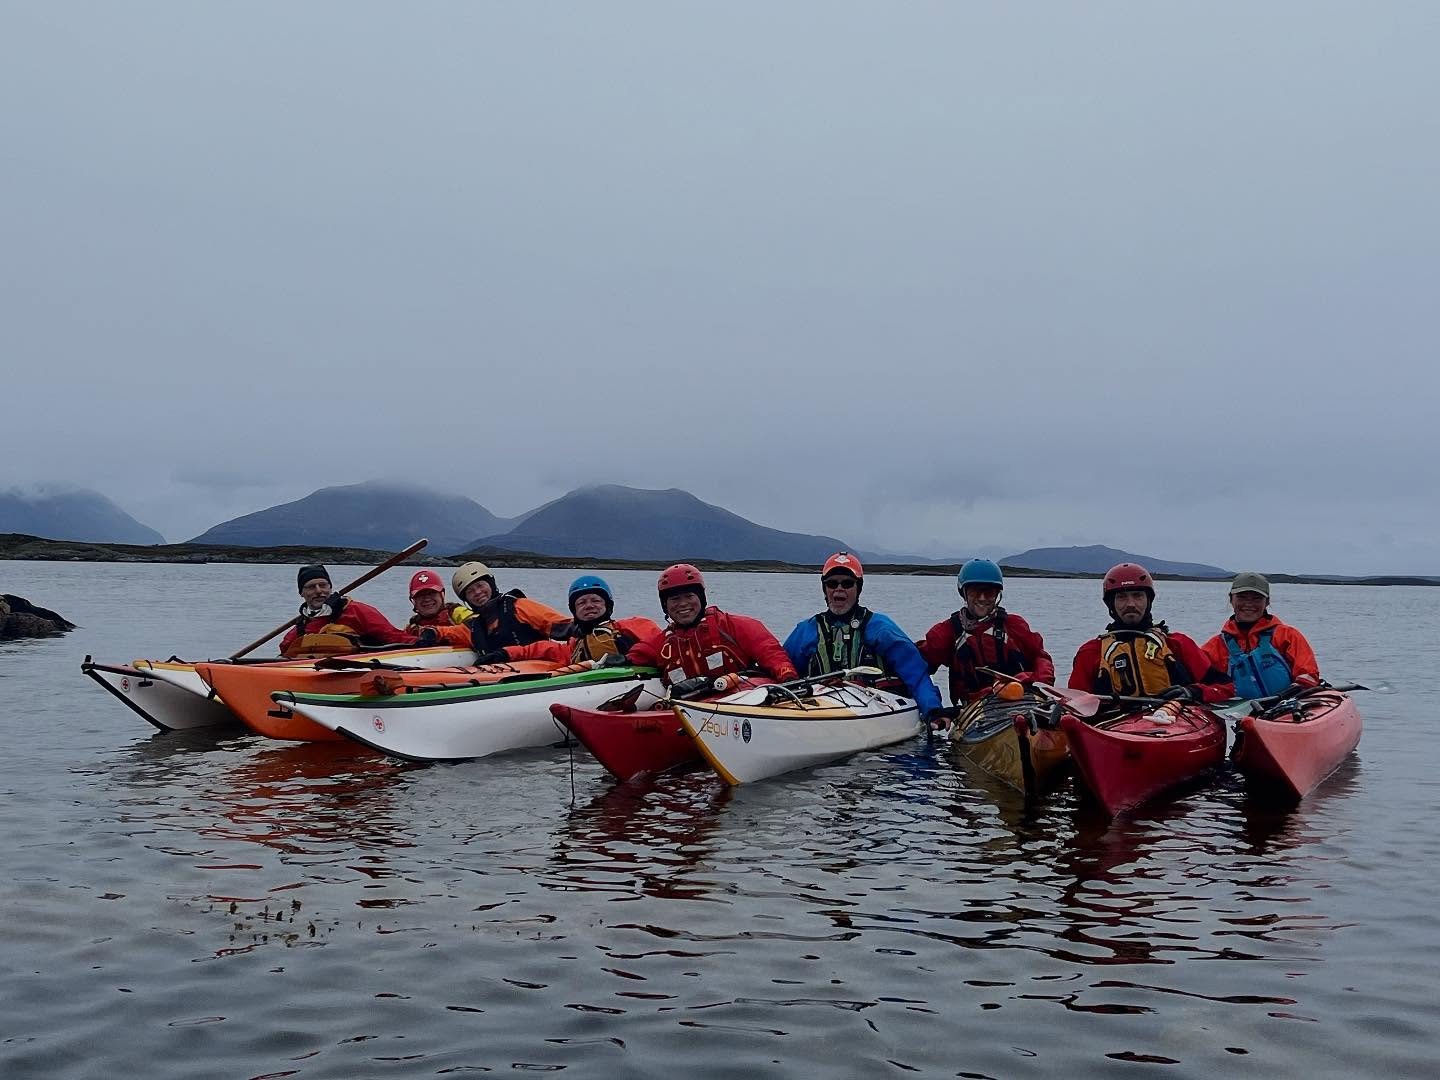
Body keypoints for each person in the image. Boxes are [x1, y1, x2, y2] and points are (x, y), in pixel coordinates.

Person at [783, 553, 943, 718]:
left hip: (876, 708)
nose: (839, 588)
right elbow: (781, 668)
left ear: (858, 588)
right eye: (831, 583)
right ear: (825, 589)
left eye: (847, 583)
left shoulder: (880, 629)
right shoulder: (806, 631)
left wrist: (933, 710)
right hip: (818, 710)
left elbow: (915, 673)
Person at [1068, 562, 1233, 703]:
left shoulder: (1178, 644)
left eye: (1138, 596)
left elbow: (1226, 687)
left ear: (1149, 601)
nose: (1131, 604)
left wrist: (1193, 692)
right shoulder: (1091, 652)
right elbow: (1073, 705)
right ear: (1111, 604)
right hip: (1114, 729)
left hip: (1174, 723)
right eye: (1122, 597)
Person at [627, 563, 799, 686]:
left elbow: (770, 652)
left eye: (689, 596)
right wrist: (620, 660)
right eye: (674, 599)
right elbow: (637, 655)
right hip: (687, 712)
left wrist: (788, 676)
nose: (682, 604)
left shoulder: (734, 626)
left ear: (701, 598)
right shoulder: (661, 642)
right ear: (665, 605)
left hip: (740, 703)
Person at [917, 558, 1055, 706]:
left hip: (1023, 701)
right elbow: (915, 666)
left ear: (997, 594)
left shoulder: (1015, 625)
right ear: (963, 593)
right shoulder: (947, 632)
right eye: (975, 591)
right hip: (975, 711)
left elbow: (1041, 658)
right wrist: (933, 707)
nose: (982, 598)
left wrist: (1038, 682)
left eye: (989, 592)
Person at [474, 575, 662, 666]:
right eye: (581, 603)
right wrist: (503, 654)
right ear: (574, 611)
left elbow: (660, 643)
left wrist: (630, 657)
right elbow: (537, 649)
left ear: (608, 606)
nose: (589, 605)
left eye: (596, 600)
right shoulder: (574, 645)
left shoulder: (633, 625)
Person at [1201, 572, 1320, 699]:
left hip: (1287, 711)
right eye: (1242, 597)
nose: (1248, 604)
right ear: (1231, 599)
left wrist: (1292, 695)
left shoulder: (1288, 636)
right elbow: (1200, 680)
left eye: (1257, 598)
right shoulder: (1215, 646)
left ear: (1267, 601)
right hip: (1238, 714)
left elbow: (1308, 674)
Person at [278, 564, 417, 658]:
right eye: (311, 587)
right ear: (301, 593)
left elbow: (394, 637)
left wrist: (425, 643)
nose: (318, 591)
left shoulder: (357, 611)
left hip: (358, 673)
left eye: (323, 585)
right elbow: (283, 655)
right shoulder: (300, 629)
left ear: (330, 588)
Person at [404, 569, 472, 630]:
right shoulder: (412, 628)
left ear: (442, 594)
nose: (427, 599)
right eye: (420, 595)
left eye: (432, 593)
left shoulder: (457, 613)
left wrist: (440, 633)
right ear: (413, 601)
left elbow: (477, 627)